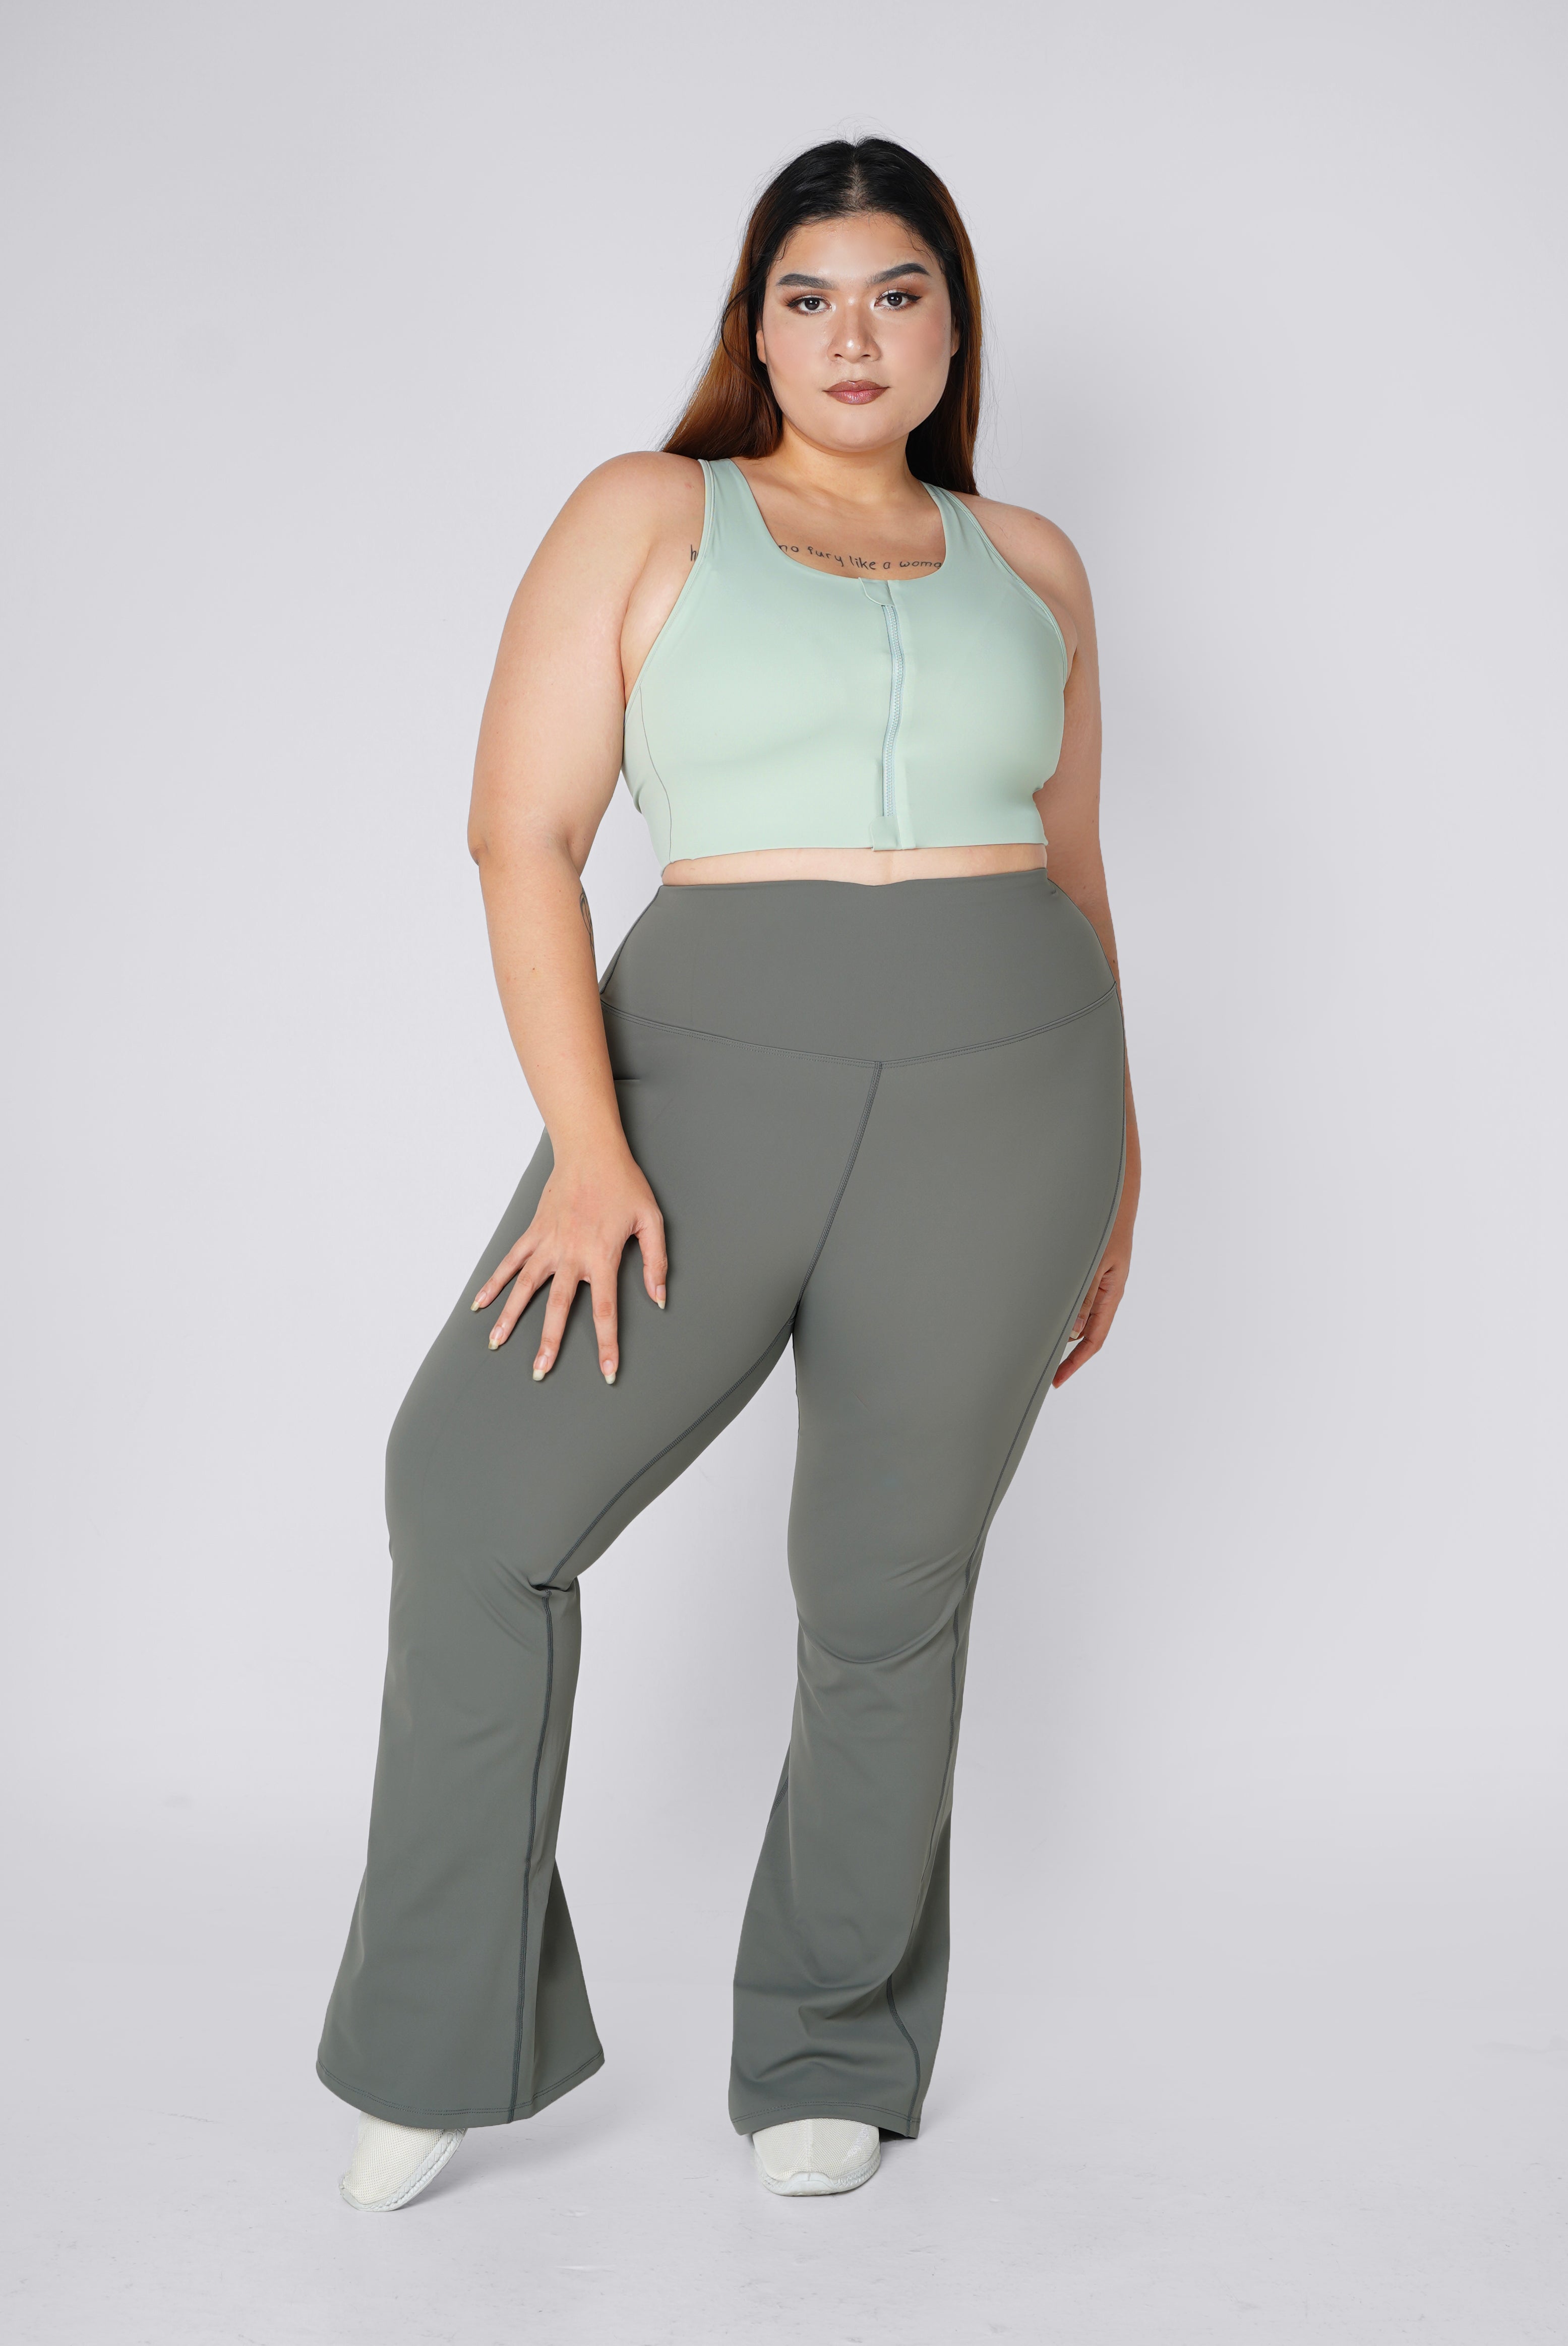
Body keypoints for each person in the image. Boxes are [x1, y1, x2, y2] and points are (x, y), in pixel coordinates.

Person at [318, 134, 1140, 2212]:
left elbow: (1077, 872)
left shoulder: (1033, 563)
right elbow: (521, 836)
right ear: (753, 329)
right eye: (807, 296)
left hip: (1012, 1094)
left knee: (885, 1589)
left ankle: (830, 2042)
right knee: (471, 1499)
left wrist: (1120, 1167)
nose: (852, 336)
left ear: (951, 328)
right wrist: (591, 1153)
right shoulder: (647, 509)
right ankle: (437, 2036)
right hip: (699, 1077)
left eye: (896, 294)